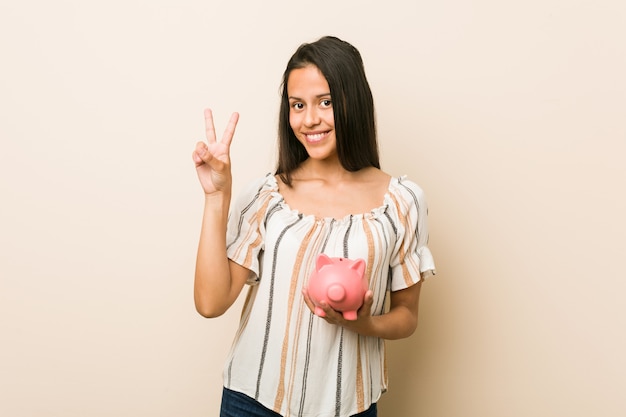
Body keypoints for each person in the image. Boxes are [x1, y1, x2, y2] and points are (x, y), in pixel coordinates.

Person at [192, 36, 436, 417]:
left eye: (325, 102)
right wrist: (216, 197)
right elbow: (210, 303)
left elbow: (407, 316)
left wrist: (365, 324)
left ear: (352, 102)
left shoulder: (401, 202)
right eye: (297, 105)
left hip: (348, 406)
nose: (309, 120)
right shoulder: (268, 196)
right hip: (252, 401)